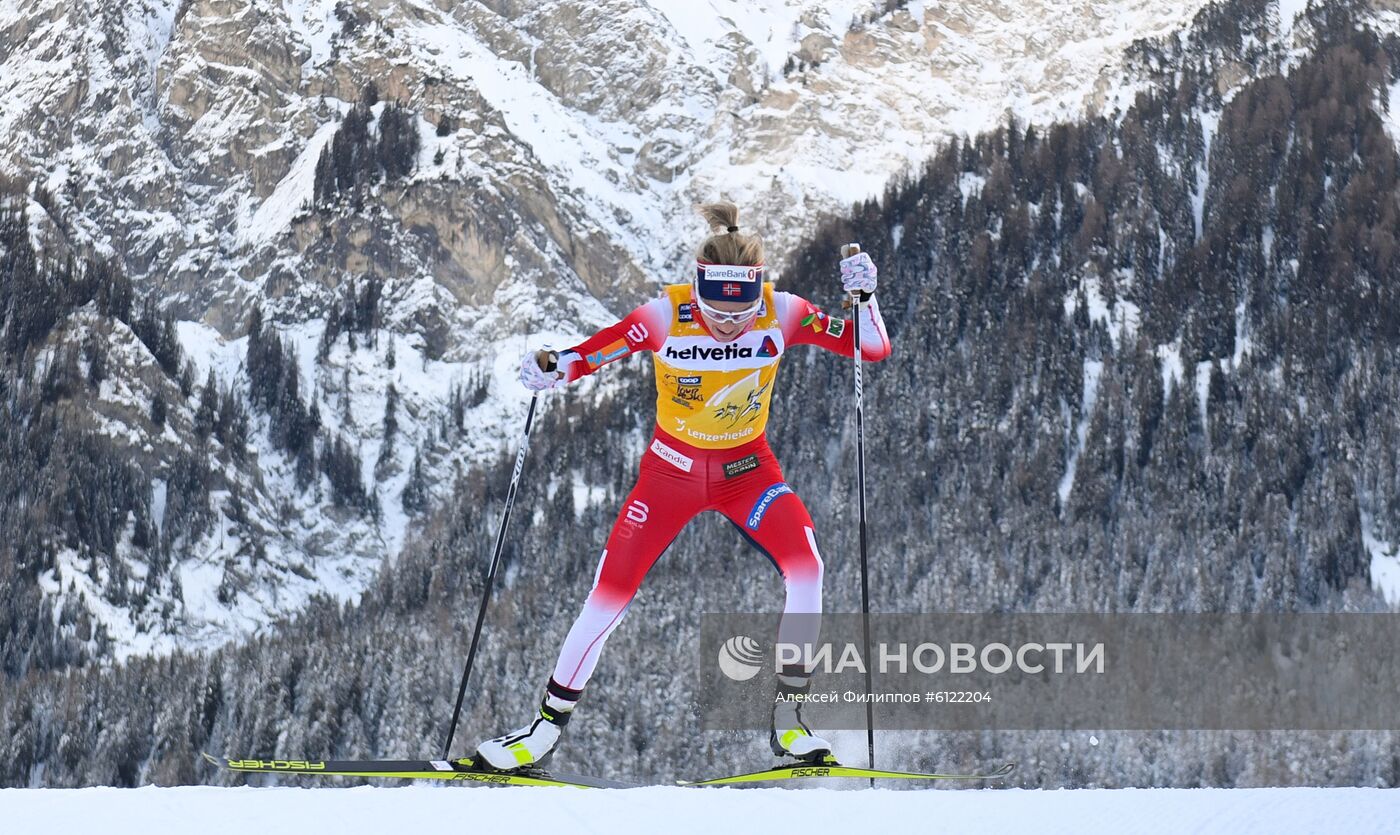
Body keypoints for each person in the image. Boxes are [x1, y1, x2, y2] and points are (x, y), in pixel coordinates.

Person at [476, 201, 891, 771]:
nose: (726, 325)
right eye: (715, 311)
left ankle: (791, 722)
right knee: (609, 596)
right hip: (670, 473)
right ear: (696, 289)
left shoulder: (784, 312)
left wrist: (867, 301)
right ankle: (543, 730)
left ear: (758, 293)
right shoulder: (665, 315)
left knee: (808, 569)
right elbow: (597, 351)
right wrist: (554, 367)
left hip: (748, 472)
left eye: (740, 313)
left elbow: (870, 348)